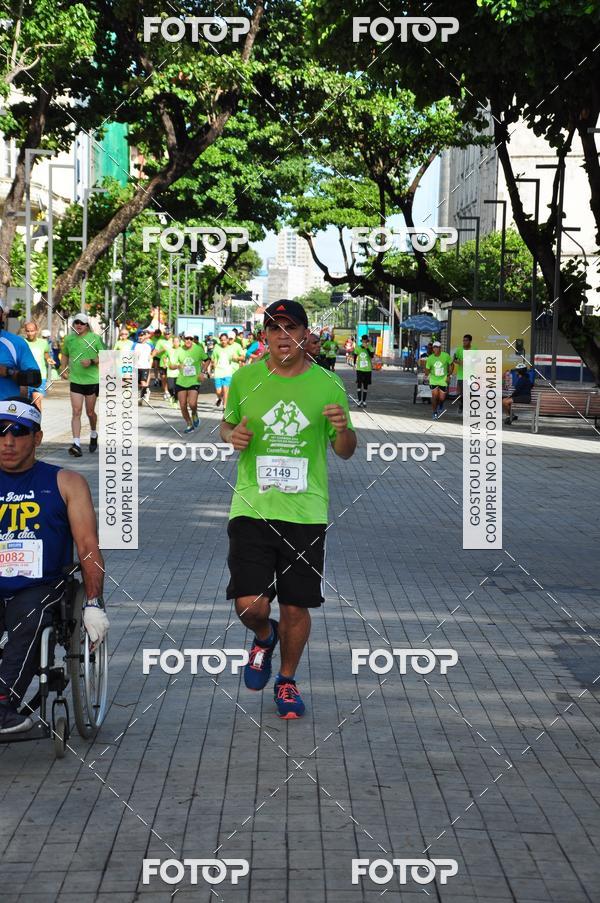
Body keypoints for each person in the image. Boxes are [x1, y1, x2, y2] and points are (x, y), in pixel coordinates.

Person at [220, 299, 356, 719]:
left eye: (291, 328)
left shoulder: (328, 384)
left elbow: (346, 450)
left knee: (296, 605)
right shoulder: (245, 379)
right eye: (274, 328)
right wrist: (230, 436)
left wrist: (342, 429)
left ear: (305, 335)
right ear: (265, 336)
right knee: (250, 604)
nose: (283, 336)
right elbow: (227, 424)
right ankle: (264, 635)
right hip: (252, 505)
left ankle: (286, 680)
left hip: (305, 512)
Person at [0, 397, 109, 733]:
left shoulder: (66, 483)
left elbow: (87, 546)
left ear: (37, 438)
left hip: (40, 587)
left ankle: (2, 703)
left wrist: (93, 603)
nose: (7, 441)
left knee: (29, 617)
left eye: (18, 432)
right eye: (0, 432)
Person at [60, 313, 105, 457]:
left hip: (92, 380)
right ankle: (76, 444)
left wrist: (91, 361)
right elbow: (65, 354)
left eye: (82, 323)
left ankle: (93, 433)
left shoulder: (95, 338)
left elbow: (105, 356)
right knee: (76, 411)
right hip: (76, 380)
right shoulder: (69, 339)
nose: (79, 325)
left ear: (87, 325)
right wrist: (63, 368)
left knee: (90, 412)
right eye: (76, 323)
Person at [0, 303, 41, 402]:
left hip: (6, 409)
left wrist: (8, 372)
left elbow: (35, 379)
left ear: (3, 315)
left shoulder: (16, 343)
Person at [175, 332, 208, 432]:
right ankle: (189, 424)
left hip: (194, 380)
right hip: (181, 381)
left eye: (190, 338)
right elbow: (171, 365)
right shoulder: (179, 350)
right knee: (182, 405)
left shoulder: (198, 349)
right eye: (187, 338)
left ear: (193, 339)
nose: (188, 340)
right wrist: (178, 366)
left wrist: (203, 372)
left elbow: (207, 360)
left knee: (192, 404)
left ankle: (194, 413)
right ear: (183, 339)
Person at [24, 322, 52, 411]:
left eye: (32, 331)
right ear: (25, 331)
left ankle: (38, 420)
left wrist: (48, 359)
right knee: (26, 403)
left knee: (37, 401)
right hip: (25, 376)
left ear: (36, 331)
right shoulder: (22, 343)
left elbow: (46, 353)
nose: (30, 333)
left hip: (40, 376)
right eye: (28, 331)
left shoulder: (43, 343)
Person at [210, 332, 240, 408]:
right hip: (218, 372)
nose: (223, 341)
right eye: (222, 340)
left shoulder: (231, 348)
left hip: (227, 372)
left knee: (226, 390)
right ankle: (220, 398)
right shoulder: (217, 347)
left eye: (225, 340)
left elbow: (236, 357)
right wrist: (214, 366)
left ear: (227, 340)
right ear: (220, 340)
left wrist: (236, 358)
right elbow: (213, 358)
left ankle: (225, 407)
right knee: (219, 391)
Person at [425, 340, 453, 420]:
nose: (435, 349)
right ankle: (434, 413)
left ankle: (441, 404)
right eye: (434, 347)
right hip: (433, 379)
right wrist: (427, 374)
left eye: (437, 347)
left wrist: (449, 375)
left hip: (443, 379)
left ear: (440, 348)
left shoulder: (445, 356)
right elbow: (427, 368)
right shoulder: (430, 358)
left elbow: (451, 364)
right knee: (434, 396)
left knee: (441, 398)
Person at [453, 333, 474, 414]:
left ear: (470, 341)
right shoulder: (459, 349)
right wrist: (460, 362)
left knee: (468, 392)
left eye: (466, 340)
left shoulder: (474, 349)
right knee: (461, 393)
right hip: (461, 375)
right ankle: (461, 404)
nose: (464, 342)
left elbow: (478, 360)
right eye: (463, 340)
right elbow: (454, 359)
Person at [133, 329, 154, 405]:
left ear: (145, 336)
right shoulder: (135, 345)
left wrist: (151, 357)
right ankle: (146, 391)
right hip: (137, 367)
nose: (140, 337)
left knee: (143, 382)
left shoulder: (149, 345)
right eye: (139, 336)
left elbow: (154, 351)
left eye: (142, 335)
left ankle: (141, 397)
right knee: (138, 384)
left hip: (145, 366)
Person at [354, 334, 375, 407]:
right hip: (359, 369)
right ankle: (359, 400)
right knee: (359, 384)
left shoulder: (370, 347)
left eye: (365, 341)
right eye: (363, 341)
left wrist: (367, 348)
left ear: (367, 341)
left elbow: (372, 356)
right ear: (362, 341)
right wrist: (354, 364)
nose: (364, 342)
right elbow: (355, 355)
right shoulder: (358, 347)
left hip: (367, 369)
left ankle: (364, 401)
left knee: (365, 385)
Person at [165, 335, 181, 407]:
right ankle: (172, 396)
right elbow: (165, 357)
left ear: (179, 342)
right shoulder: (169, 350)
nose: (176, 343)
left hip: (179, 372)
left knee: (178, 388)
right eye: (174, 341)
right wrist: (165, 363)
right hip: (170, 371)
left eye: (177, 341)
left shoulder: (182, 350)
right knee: (170, 387)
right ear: (172, 342)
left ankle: (175, 401)